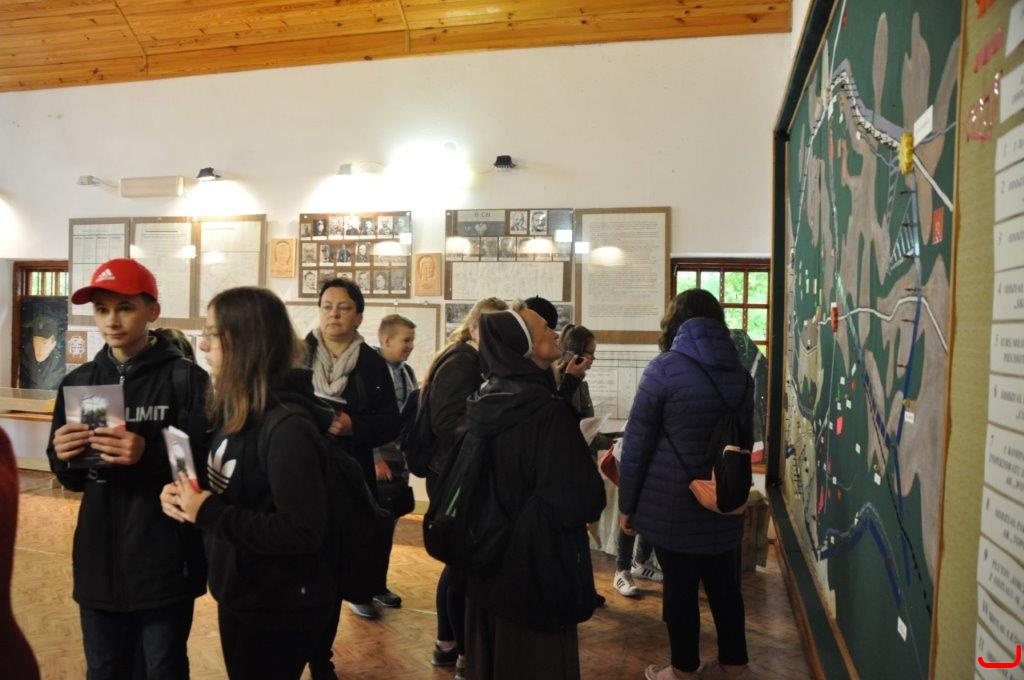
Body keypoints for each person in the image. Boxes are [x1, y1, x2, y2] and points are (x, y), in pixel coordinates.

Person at [160, 286, 334, 680]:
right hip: (242, 590)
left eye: (213, 334)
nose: (203, 345)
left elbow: (302, 531)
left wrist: (209, 511)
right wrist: (183, 497)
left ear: (246, 341)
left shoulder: (288, 428)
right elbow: (234, 490)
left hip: (279, 605)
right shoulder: (237, 410)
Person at [47, 258, 209, 680]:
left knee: (163, 668)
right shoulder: (81, 383)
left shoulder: (186, 380)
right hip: (98, 558)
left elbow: (201, 469)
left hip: (164, 558)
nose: (112, 320)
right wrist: (61, 456)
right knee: (103, 668)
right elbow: (72, 477)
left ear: (152, 311)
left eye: (125, 308)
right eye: (102, 309)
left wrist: (149, 453)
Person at [618, 289, 754, 680]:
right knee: (726, 589)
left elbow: (637, 446)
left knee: (680, 592)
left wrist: (628, 507)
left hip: (672, 505)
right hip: (724, 498)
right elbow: (744, 441)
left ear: (675, 322)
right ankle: (735, 666)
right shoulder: (740, 372)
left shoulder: (663, 369)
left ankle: (682, 670)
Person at [464, 309, 606, 679]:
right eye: (545, 328)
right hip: (537, 564)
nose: (556, 334)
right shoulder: (546, 410)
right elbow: (582, 498)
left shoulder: (486, 398)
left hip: (490, 556)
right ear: (523, 344)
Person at [303, 278, 400, 673]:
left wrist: (353, 426)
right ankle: (295, 649)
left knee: (332, 570)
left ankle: (321, 657)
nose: (334, 314)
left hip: (349, 478)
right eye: (327, 306)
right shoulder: (298, 355)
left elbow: (390, 421)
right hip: (301, 471)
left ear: (358, 316)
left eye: (343, 307)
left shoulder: (372, 364)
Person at [423, 296, 507, 677]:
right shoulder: (462, 361)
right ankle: (458, 651)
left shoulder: (470, 358)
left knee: (457, 563)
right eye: (488, 327)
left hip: (453, 469)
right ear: (473, 327)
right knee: (459, 564)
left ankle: (447, 643)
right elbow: (446, 422)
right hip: (450, 472)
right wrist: (487, 432)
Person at [371, 314, 418, 610]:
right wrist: (375, 457)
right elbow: (364, 419)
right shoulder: (370, 371)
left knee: (387, 529)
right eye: (406, 340)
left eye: (412, 340)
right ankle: (363, 590)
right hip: (379, 463)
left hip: (400, 461)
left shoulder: (406, 371)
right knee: (372, 530)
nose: (411, 346)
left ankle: (377, 584)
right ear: (386, 340)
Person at [20, 314, 66, 390]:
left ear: (53, 345)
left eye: (44, 343)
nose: (39, 348)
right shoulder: (23, 360)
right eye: (36, 342)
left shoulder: (60, 365)